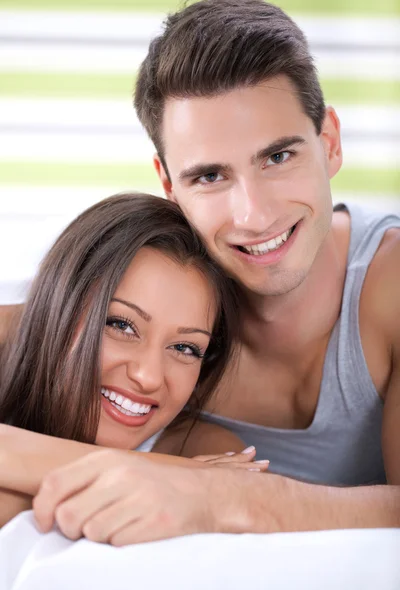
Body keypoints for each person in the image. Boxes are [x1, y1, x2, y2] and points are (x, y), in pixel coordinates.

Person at [1, 0, 399, 544]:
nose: (254, 215)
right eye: (210, 175)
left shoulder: (390, 287)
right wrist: (171, 477)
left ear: (329, 143)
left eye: (278, 157)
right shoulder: (139, 291)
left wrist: (228, 498)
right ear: (168, 183)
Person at [0, 191, 269, 530]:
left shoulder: (210, 451)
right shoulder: (198, 471)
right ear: (60, 305)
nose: (148, 377)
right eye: (122, 325)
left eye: (185, 348)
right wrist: (170, 475)